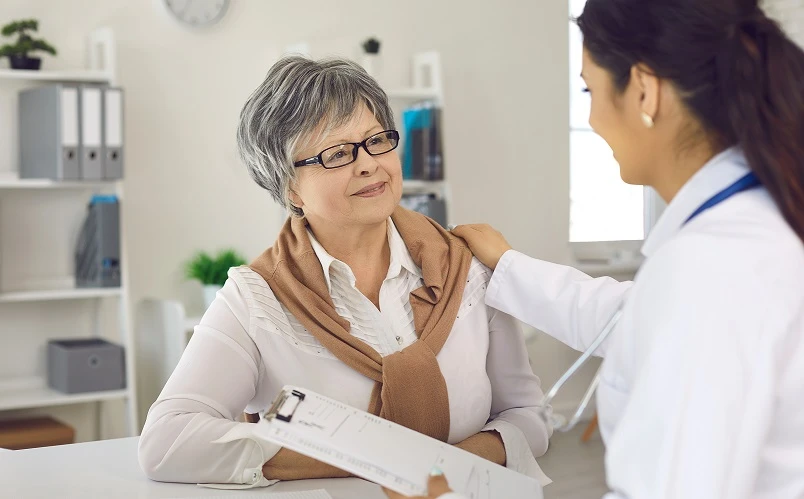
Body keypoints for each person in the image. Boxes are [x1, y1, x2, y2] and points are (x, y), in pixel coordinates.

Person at [388, 0, 804, 497]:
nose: (592, 115)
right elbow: (630, 318)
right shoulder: (752, 225)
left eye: (589, 88)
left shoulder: (710, 266)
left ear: (645, 91)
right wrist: (510, 266)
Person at [138, 56, 552, 489]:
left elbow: (530, 414)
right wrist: (364, 456)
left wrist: (446, 470)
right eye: (337, 153)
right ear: (289, 188)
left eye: (377, 140)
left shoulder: (466, 269)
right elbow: (167, 443)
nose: (369, 163)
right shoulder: (257, 298)